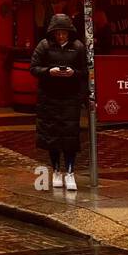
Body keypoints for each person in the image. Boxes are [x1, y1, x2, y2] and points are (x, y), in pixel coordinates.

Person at [30, 13, 87, 190]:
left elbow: (86, 71)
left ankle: (70, 172)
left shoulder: (78, 47)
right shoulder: (44, 46)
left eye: (64, 32)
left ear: (69, 32)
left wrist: (73, 73)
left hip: (71, 97)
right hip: (49, 97)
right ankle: (56, 170)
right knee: (52, 136)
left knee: (70, 136)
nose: (61, 36)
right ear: (53, 33)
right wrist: (49, 71)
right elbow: (33, 68)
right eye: (58, 33)